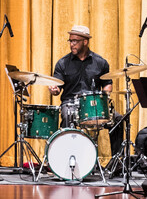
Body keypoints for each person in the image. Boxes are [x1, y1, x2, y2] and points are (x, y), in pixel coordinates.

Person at [48, 25, 124, 159]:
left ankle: (116, 162)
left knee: (118, 119)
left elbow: (107, 85)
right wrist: (54, 89)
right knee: (66, 116)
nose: (72, 44)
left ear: (85, 42)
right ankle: (67, 158)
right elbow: (57, 88)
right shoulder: (62, 63)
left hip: (94, 105)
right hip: (70, 104)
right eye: (70, 41)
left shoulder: (100, 63)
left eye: (75, 41)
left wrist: (106, 92)